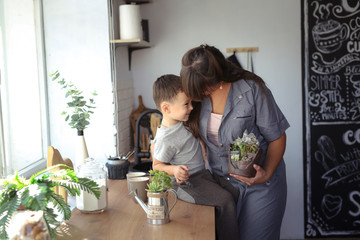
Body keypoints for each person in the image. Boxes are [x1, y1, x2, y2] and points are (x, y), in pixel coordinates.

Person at [180, 44, 290, 240]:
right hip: (222, 186)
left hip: (260, 186)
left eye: (203, 87)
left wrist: (266, 175)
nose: (199, 94)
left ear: (216, 77)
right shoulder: (197, 96)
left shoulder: (252, 90)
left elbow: (277, 138)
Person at [151, 74, 240, 240]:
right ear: (166, 109)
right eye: (186, 104)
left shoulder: (181, 121)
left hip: (202, 175)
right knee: (226, 200)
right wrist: (175, 169)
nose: (191, 107)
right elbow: (156, 166)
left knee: (233, 190)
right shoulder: (165, 137)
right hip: (187, 183)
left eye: (191, 102)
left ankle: (219, 232)